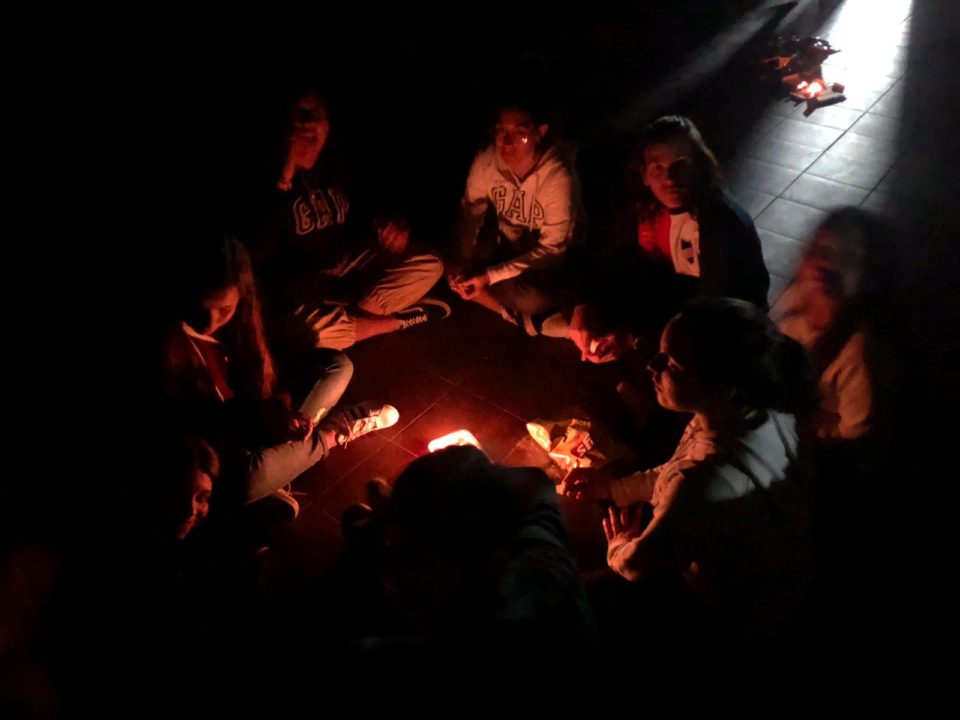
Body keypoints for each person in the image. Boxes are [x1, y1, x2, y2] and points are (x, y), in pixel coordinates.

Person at [566, 298, 813, 631]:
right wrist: (612, 489)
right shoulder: (749, 412)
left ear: (724, 387)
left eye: (672, 364)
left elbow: (637, 566)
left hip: (732, 604)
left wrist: (618, 547)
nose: (651, 365)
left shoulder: (703, 483)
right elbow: (676, 467)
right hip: (766, 563)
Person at [163, 233, 399, 517]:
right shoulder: (171, 348)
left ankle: (284, 463)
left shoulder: (243, 324)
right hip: (221, 454)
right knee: (244, 481)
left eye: (224, 309)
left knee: (337, 366)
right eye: (200, 309)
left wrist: (280, 409)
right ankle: (332, 434)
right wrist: (264, 423)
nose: (210, 322)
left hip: (253, 420)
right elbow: (206, 430)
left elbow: (256, 384)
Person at [257, 89, 449, 351]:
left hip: (347, 270)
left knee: (431, 263)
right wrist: (285, 176)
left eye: (315, 114)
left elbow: (368, 211)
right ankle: (400, 320)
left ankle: (355, 319)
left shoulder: (336, 166)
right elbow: (255, 253)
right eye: (298, 116)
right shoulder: (264, 177)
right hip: (299, 288)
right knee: (305, 332)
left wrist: (391, 225)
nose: (307, 123)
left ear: (327, 125)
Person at [569, 115, 769, 363]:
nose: (670, 179)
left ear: (698, 167)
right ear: (644, 175)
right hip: (673, 301)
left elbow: (714, 306)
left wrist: (635, 339)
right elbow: (605, 260)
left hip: (727, 325)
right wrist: (584, 305)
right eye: (658, 168)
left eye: (680, 165)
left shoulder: (722, 224)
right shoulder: (642, 210)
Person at [449, 98, 583, 335]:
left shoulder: (557, 175)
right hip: (508, 249)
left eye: (520, 134)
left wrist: (489, 276)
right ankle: (531, 319)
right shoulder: (487, 161)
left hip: (549, 264)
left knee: (526, 296)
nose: (507, 143)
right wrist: (461, 262)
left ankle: (532, 314)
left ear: (539, 133)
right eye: (501, 132)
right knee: (450, 266)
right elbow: (470, 215)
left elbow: (552, 250)